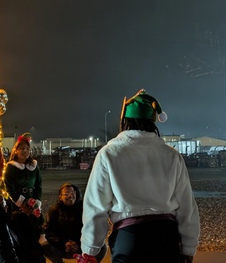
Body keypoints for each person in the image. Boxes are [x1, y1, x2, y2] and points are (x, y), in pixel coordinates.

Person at [82, 89, 199, 263]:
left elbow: (96, 205)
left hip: (128, 237)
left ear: (125, 120)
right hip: (166, 237)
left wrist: (90, 248)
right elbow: (186, 204)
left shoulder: (109, 153)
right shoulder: (171, 155)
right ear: (153, 122)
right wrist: (189, 246)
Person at [43, 184, 85, 262]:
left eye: (72, 193)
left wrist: (78, 243)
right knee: (44, 246)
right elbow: (48, 231)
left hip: (82, 245)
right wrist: (65, 242)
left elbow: (91, 227)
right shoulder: (54, 210)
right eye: (66, 194)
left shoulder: (84, 208)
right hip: (62, 246)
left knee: (102, 247)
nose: (70, 196)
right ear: (60, 197)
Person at [3, 133, 42, 204]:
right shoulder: (11, 167)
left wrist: (37, 200)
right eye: (22, 148)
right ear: (16, 151)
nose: (25, 151)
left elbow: (38, 185)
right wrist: (21, 203)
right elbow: (9, 188)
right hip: (16, 204)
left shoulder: (33, 166)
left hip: (32, 201)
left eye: (27, 149)